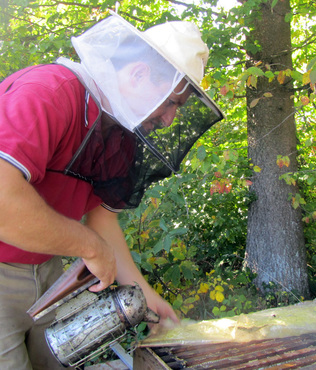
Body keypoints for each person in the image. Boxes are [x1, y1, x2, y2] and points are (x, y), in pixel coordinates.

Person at [0, 13, 223, 369]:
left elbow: (102, 222)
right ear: (138, 74)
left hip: (47, 269)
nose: (169, 120)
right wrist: (87, 246)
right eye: (172, 102)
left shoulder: (120, 132)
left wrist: (148, 298)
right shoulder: (49, 92)